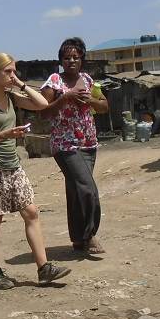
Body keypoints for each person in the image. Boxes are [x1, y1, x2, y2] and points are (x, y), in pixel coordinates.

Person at [0, 52, 71, 290]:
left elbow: (43, 104)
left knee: (31, 212)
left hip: (13, 166)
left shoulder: (12, 97)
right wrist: (4, 135)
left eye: (14, 71)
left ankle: (44, 268)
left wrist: (21, 84)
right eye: (8, 72)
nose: (12, 76)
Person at [40, 37, 109, 255]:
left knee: (76, 189)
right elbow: (43, 112)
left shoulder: (88, 80)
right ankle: (90, 235)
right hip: (64, 144)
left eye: (76, 57)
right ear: (60, 60)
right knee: (88, 189)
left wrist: (90, 101)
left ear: (82, 60)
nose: (71, 61)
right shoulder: (53, 81)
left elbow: (105, 106)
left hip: (88, 143)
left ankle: (78, 239)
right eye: (67, 57)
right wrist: (66, 97)